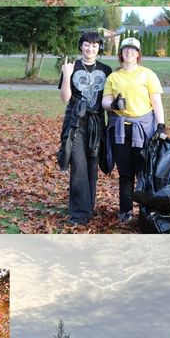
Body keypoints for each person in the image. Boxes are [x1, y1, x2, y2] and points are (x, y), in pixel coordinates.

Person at [102, 37, 166, 225]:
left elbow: (156, 103)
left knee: (144, 173)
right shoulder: (113, 77)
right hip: (120, 130)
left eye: (133, 50)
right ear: (120, 53)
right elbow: (105, 101)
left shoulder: (147, 74)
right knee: (125, 173)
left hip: (144, 129)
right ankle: (125, 212)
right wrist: (113, 104)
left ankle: (146, 212)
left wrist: (161, 126)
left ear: (138, 54)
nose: (129, 52)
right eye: (125, 49)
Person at [58, 31, 112, 225]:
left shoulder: (106, 70)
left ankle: (89, 208)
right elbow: (65, 98)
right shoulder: (72, 67)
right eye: (87, 44)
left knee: (92, 165)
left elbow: (108, 98)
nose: (90, 48)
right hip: (75, 122)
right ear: (81, 46)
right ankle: (79, 214)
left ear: (99, 48)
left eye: (95, 45)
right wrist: (66, 76)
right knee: (78, 165)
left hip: (97, 123)